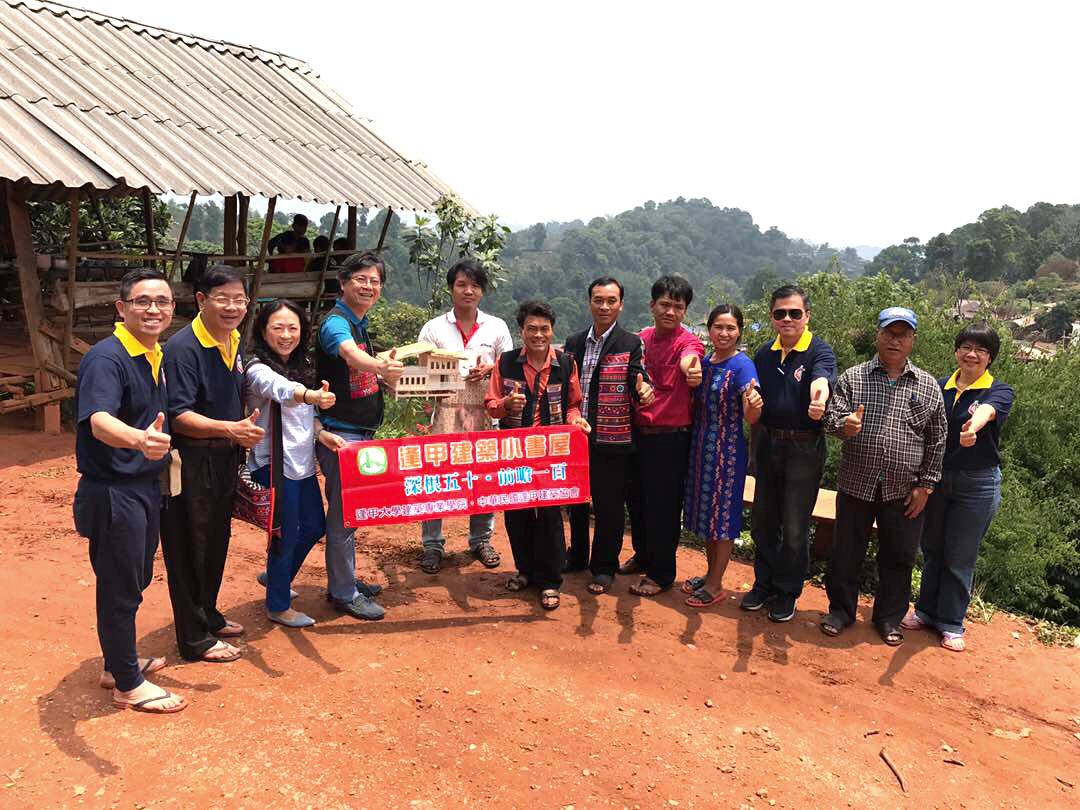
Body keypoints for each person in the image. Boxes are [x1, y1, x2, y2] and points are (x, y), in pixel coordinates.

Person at [73, 268, 187, 713]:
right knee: (121, 585)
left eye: (162, 301)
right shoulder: (108, 358)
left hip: (141, 487)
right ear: (122, 308)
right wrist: (139, 439)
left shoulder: (152, 355)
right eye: (142, 301)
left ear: (173, 309)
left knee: (135, 577)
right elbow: (99, 421)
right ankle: (126, 683)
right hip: (113, 491)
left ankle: (114, 663)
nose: (153, 309)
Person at [821, 307, 947, 645]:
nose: (895, 340)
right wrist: (843, 425)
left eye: (903, 335)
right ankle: (840, 611)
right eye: (890, 333)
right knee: (846, 551)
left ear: (912, 341)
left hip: (904, 489)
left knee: (899, 555)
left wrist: (927, 485)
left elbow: (937, 440)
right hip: (856, 481)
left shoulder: (928, 387)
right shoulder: (854, 377)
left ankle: (889, 618)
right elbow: (830, 418)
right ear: (878, 335)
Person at [161, 264, 262, 663]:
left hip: (223, 457)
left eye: (239, 300)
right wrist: (229, 429)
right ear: (201, 300)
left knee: (216, 540)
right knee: (189, 546)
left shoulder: (233, 339)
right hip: (191, 460)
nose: (233, 307)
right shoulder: (184, 349)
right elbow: (179, 415)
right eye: (224, 299)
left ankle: (209, 613)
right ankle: (192, 638)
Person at [902, 323, 1014, 651]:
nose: (972, 354)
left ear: (990, 358)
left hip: (977, 482)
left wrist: (972, 427)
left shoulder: (999, 390)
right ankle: (925, 611)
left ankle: (951, 622)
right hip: (937, 476)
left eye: (981, 350)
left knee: (961, 554)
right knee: (933, 548)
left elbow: (988, 412)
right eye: (966, 347)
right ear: (956, 351)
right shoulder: (938, 387)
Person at [484, 299, 591, 610]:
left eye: (544, 329)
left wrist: (576, 421)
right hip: (513, 449)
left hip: (551, 451)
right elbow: (491, 404)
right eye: (532, 328)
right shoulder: (504, 363)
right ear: (522, 331)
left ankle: (550, 580)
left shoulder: (566, 364)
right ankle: (524, 571)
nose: (539, 334)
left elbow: (573, 404)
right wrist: (507, 405)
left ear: (552, 331)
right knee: (516, 511)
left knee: (548, 514)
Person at [315, 251, 405, 620]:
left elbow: (360, 372)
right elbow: (351, 357)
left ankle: (346, 580)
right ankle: (343, 592)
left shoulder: (359, 322)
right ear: (343, 282)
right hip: (341, 437)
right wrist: (382, 365)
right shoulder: (337, 324)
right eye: (361, 279)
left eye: (375, 281)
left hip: (357, 434)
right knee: (343, 517)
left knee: (351, 514)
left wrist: (383, 376)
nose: (369, 286)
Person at [246, 299, 345, 627]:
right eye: (278, 327)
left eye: (293, 328)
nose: (286, 334)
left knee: (315, 526)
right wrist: (311, 395)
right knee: (285, 534)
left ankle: (277, 575)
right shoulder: (257, 368)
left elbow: (305, 418)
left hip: (300, 463)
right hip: (272, 464)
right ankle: (277, 603)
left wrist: (321, 433)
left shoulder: (302, 364)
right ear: (263, 331)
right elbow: (281, 390)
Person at [744, 285, 837, 622]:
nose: (787, 319)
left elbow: (821, 381)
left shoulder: (819, 351)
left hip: (803, 447)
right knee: (763, 522)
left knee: (796, 527)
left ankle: (787, 591)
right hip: (768, 443)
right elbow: (753, 396)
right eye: (780, 313)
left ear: (807, 316)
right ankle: (763, 583)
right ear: (771, 317)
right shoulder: (763, 354)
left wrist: (818, 400)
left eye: (794, 313)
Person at [415, 258, 514, 574]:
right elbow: (422, 370)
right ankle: (432, 544)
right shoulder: (433, 327)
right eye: (461, 284)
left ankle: (480, 540)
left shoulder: (496, 326)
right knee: (436, 478)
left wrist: (492, 369)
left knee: (483, 479)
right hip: (445, 412)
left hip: (484, 413)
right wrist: (453, 376)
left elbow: (509, 369)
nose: (468, 291)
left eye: (474, 285)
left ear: (483, 291)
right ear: (451, 288)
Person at [564, 276, 652, 594]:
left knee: (609, 505)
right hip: (574, 435)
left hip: (612, 439)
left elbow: (638, 375)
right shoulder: (573, 342)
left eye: (611, 300)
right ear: (589, 303)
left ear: (621, 305)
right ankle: (576, 556)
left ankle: (603, 567)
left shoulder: (630, 343)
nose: (604, 306)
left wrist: (642, 387)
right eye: (598, 300)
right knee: (574, 500)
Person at [620, 275, 705, 596]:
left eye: (678, 307)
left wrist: (691, 370)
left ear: (685, 312)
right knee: (637, 501)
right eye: (665, 305)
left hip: (671, 438)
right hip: (636, 434)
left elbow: (690, 359)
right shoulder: (639, 340)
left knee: (664, 507)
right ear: (652, 305)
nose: (670, 312)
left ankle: (662, 572)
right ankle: (643, 556)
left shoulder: (688, 342)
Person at [682, 304, 762, 608]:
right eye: (719, 327)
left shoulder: (743, 366)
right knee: (708, 516)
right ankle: (709, 573)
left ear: (739, 331)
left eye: (730, 328)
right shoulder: (706, 361)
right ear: (709, 329)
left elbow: (751, 412)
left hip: (727, 452)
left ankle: (716, 585)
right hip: (702, 447)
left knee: (723, 518)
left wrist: (753, 404)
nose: (724, 333)